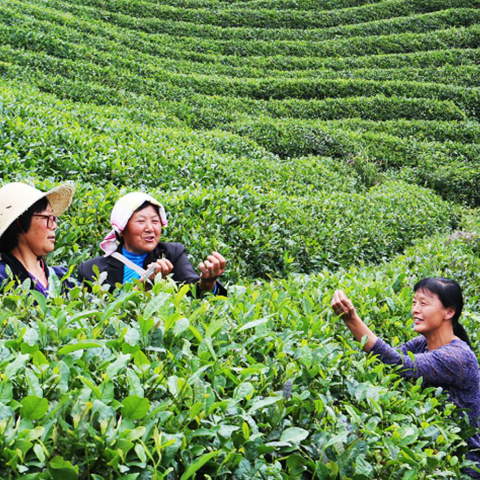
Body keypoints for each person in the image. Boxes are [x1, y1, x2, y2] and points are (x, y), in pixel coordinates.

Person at [331, 278, 480, 477]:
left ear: (449, 311)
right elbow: (381, 362)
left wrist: (352, 320)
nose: (415, 310)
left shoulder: (457, 357)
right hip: (435, 457)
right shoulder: (422, 343)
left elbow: (397, 363)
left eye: (424, 303)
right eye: (414, 302)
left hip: (463, 466)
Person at [77, 192, 227, 295]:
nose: (150, 228)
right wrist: (144, 286)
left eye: (155, 221)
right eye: (141, 221)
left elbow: (192, 291)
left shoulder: (172, 254)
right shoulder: (92, 269)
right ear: (121, 229)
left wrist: (207, 283)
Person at [0, 182, 75, 297]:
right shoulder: (3, 280)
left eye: (54, 218)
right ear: (19, 223)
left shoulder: (63, 277)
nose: (54, 225)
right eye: (47, 218)